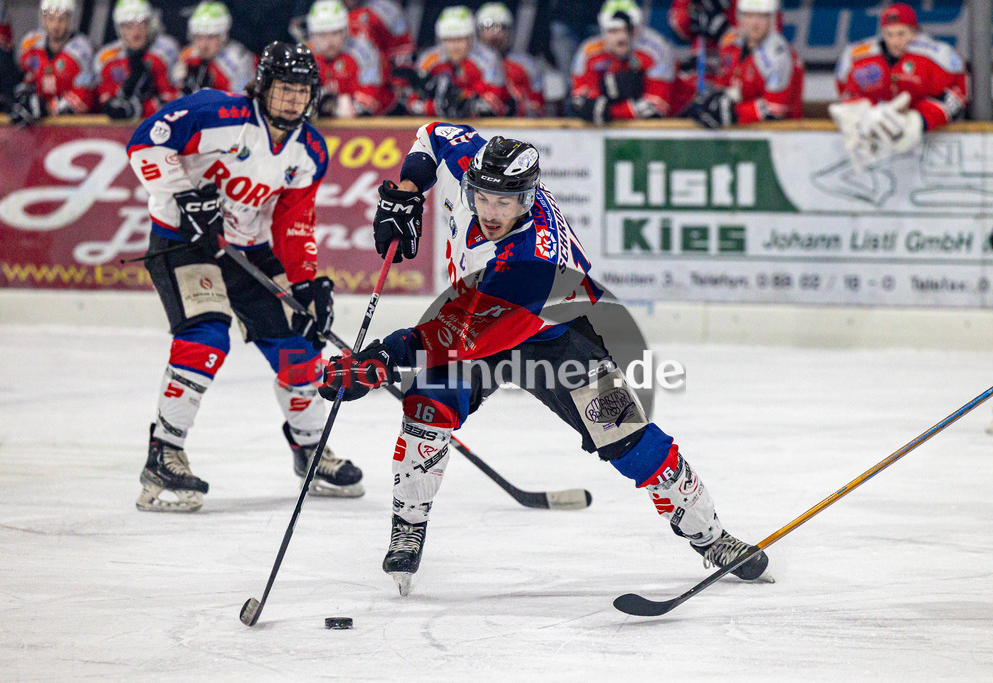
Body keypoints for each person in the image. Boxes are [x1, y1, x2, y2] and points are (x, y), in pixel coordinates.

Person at [317, 121, 772, 595]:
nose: (490, 212)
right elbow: (432, 134)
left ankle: (712, 536)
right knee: (427, 409)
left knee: (631, 440)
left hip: (552, 333)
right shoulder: (472, 166)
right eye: (483, 199)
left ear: (527, 200)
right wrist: (408, 192)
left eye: (505, 203)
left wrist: (382, 359)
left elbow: (456, 335)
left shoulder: (531, 260)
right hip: (474, 316)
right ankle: (408, 525)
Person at [126, 42, 364, 512]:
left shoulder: (309, 149)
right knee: (208, 336)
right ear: (263, 84)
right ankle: (164, 452)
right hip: (185, 243)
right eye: (285, 89)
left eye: (303, 91)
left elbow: (293, 222)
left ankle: (310, 448)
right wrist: (185, 192)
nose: (294, 100)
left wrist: (306, 282)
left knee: (300, 344)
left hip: (248, 251)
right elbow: (144, 143)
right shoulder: (216, 111)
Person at [830, 3, 968, 170]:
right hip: (876, 150)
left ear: (914, 30)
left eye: (901, 34)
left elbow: (957, 96)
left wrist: (919, 121)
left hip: (927, 153)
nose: (895, 41)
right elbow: (846, 92)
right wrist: (866, 113)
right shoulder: (857, 58)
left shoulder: (938, 57)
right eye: (889, 34)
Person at [685, 0, 803, 129]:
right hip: (741, 133)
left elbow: (775, 108)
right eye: (749, 15)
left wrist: (735, 112)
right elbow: (725, 83)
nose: (754, 23)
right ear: (740, 17)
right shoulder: (731, 43)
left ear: (772, 19)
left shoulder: (778, 56)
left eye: (762, 16)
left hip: (782, 135)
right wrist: (713, 101)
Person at [570, 0, 677, 125]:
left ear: (637, 28)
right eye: (614, 30)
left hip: (663, 128)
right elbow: (581, 102)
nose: (622, 37)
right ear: (603, 29)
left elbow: (657, 106)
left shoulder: (657, 50)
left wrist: (610, 111)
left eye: (628, 30)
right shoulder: (588, 52)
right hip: (605, 129)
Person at [406, 5, 509, 118]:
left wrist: (466, 102)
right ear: (440, 40)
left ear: (470, 38)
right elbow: (411, 100)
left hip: (479, 128)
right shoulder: (428, 59)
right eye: (449, 40)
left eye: (460, 39)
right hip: (435, 127)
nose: (455, 46)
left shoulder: (489, 59)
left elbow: (498, 100)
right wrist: (435, 107)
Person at [304, 0, 393, 117]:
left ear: (345, 31)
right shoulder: (306, 58)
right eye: (322, 35)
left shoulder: (363, 54)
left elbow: (372, 99)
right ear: (313, 36)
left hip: (372, 126)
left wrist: (337, 106)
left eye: (335, 33)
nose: (329, 41)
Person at [12, 0, 94, 125]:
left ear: (71, 19)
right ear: (43, 18)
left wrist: (47, 107)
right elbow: (23, 81)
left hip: (72, 128)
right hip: (36, 127)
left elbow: (85, 96)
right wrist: (24, 99)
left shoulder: (82, 50)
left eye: (62, 19)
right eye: (51, 18)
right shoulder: (30, 45)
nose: (56, 25)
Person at [94, 0, 179, 121]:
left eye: (141, 24)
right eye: (129, 26)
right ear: (119, 29)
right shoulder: (106, 58)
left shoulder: (166, 51)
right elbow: (105, 104)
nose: (135, 33)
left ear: (149, 24)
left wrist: (141, 107)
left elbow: (173, 102)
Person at [476, 2, 545, 118]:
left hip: (519, 129)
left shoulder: (526, 64)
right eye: (487, 27)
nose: (494, 34)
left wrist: (519, 105)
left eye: (500, 27)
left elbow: (538, 105)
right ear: (478, 32)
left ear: (509, 31)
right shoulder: (470, 63)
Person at [173, 1, 256, 96]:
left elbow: (244, 99)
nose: (203, 45)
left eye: (210, 37)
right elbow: (173, 95)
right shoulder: (188, 55)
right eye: (198, 37)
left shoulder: (238, 58)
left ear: (223, 36)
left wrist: (217, 84)